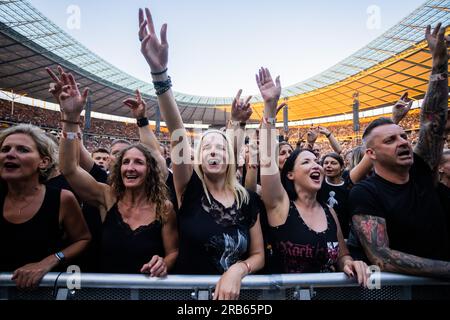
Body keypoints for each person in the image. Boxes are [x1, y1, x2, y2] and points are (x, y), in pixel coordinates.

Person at [138, 7, 264, 300]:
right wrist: (160, 73)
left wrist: (238, 270)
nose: (213, 151)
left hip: (240, 300)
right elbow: (178, 132)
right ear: (196, 158)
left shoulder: (247, 199)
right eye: (206, 147)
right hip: (188, 298)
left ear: (230, 157)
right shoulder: (188, 189)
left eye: (220, 147)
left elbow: (258, 254)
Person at [350, 24, 450, 278]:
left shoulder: (421, 169)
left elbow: (433, 122)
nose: (404, 142)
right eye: (391, 140)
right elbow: (382, 257)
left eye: (404, 136)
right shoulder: (365, 193)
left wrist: (438, 65)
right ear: (371, 154)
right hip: (406, 292)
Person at [57, 68, 178, 275]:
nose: (130, 167)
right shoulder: (107, 196)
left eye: (138, 162)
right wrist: (70, 119)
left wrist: (165, 262)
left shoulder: (164, 208)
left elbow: (173, 251)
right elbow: (69, 168)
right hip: (108, 292)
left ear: (150, 170)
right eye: (126, 162)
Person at [256, 67, 367, 284]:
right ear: (290, 175)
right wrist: (269, 106)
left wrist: (350, 263)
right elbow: (267, 160)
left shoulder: (330, 213)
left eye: (317, 160)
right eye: (306, 162)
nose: (316, 164)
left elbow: (342, 256)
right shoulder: (280, 206)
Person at [0, 124, 91, 288]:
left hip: (43, 291)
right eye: (5, 149)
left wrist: (50, 260)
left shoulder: (62, 199)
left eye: (22, 150)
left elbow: (83, 239)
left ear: (43, 162)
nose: (10, 154)